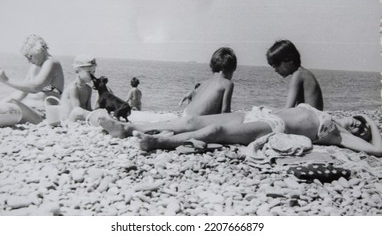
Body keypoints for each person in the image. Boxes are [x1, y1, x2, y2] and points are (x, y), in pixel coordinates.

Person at [95, 103, 382, 157]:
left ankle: (156, 144)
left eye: (362, 129)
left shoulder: (340, 136)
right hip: (260, 113)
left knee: (216, 130)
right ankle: (129, 127)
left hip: (273, 126)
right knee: (194, 121)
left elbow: (378, 149)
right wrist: (365, 121)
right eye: (359, 120)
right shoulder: (327, 113)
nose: (358, 124)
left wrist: (373, 125)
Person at [0, 34, 64, 125]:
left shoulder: (52, 63)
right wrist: (1, 103)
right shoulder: (36, 66)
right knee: (0, 105)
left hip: (44, 116)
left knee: (6, 106)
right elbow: (21, 92)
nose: (29, 61)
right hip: (32, 112)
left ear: (38, 50)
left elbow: (35, 87)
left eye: (30, 56)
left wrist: (6, 80)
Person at [266, 40, 324, 110]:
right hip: (313, 115)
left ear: (289, 60)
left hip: (310, 117)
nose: (276, 70)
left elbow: (288, 108)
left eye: (277, 65)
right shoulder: (303, 73)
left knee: (265, 112)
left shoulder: (298, 75)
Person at [182, 47, 237, 116]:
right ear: (233, 68)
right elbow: (225, 113)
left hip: (185, 114)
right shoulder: (228, 84)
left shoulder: (202, 84)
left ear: (211, 66)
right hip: (194, 121)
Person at [59, 55, 97, 121]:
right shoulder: (73, 88)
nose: (92, 75)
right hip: (69, 119)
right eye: (89, 72)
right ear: (77, 71)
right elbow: (76, 110)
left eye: (94, 72)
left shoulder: (88, 89)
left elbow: (88, 108)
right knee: (79, 111)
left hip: (81, 118)